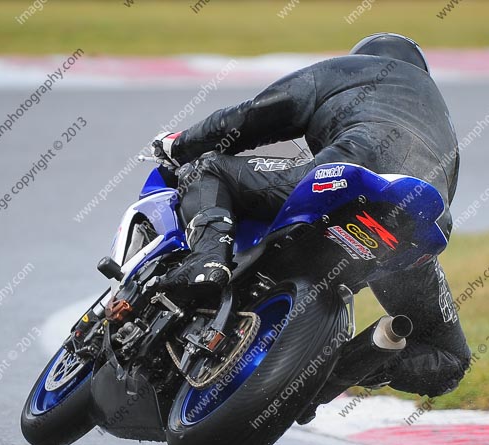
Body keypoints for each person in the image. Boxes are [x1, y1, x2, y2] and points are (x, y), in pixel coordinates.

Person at [151, 33, 472, 409]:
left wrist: (183, 143)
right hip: (409, 231)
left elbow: (257, 114)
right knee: (451, 359)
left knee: (211, 169)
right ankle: (328, 374)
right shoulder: (446, 128)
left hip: (347, 180)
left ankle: (207, 262)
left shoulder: (353, 70)